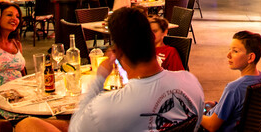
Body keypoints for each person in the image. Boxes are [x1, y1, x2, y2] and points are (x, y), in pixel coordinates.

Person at [67, 7, 203, 132]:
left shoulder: (106, 108)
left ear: (118, 52)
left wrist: (100, 78)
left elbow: (75, 128)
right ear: (152, 39)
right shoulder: (191, 83)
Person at [201, 31, 261, 132]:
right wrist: (218, 106)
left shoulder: (234, 88)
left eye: (235, 51)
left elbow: (211, 125)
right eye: (230, 50)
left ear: (250, 57)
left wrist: (194, 112)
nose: (228, 55)